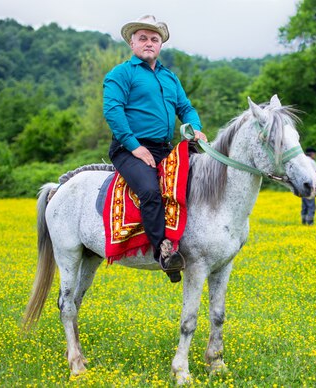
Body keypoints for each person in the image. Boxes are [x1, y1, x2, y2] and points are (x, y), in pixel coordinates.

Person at [103, 15, 207, 283]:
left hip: (164, 147)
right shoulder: (120, 74)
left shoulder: (170, 78)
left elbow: (186, 108)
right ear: (132, 42)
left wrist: (194, 126)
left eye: (154, 39)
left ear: (160, 45)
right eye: (143, 38)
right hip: (129, 148)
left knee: (194, 184)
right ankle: (165, 252)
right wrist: (135, 148)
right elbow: (113, 111)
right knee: (150, 191)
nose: (149, 43)